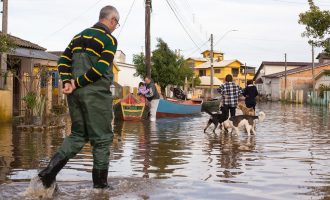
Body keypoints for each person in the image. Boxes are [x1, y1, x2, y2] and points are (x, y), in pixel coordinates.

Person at [37, 6, 120, 189]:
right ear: (112, 20)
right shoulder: (108, 39)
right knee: (102, 139)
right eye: (116, 23)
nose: (115, 27)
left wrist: (68, 82)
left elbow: (63, 60)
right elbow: (100, 68)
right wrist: (78, 82)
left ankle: (48, 173)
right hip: (96, 96)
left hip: (75, 96)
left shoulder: (78, 36)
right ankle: (100, 187)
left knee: (77, 135)